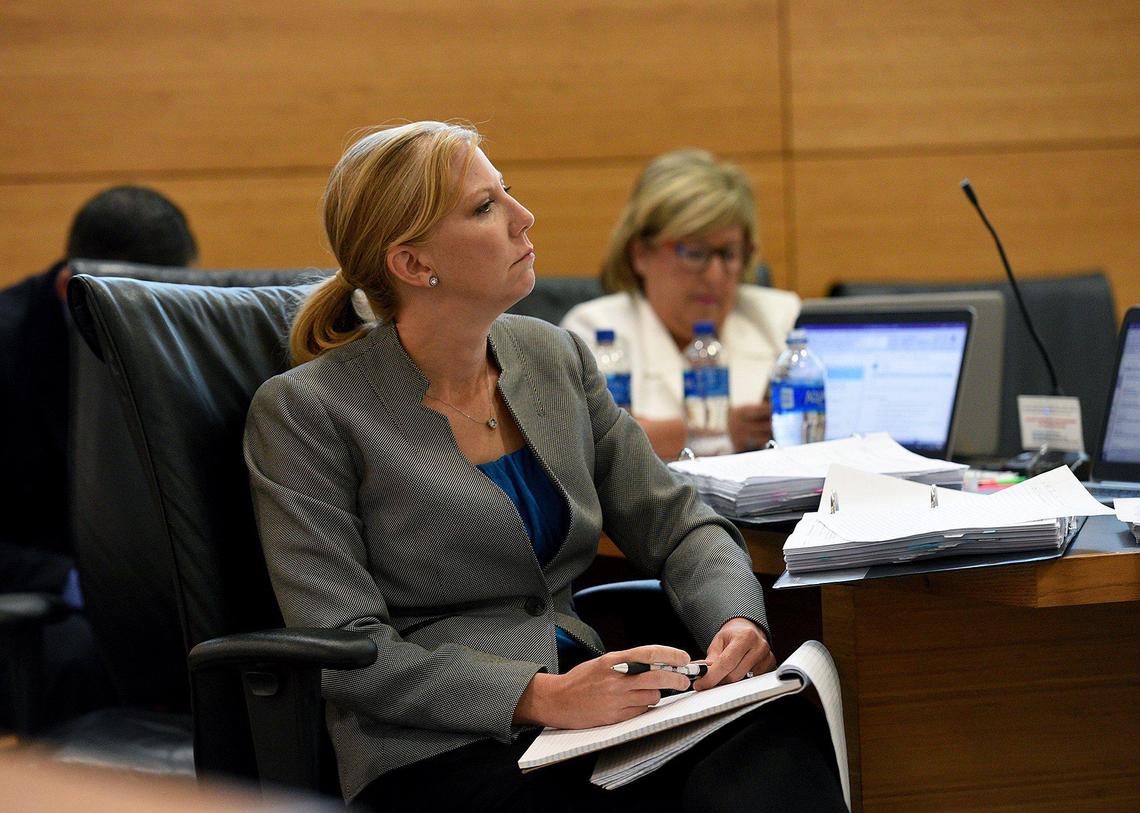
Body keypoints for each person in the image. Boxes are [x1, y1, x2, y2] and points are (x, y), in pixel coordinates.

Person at [244, 122, 845, 812]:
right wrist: (541, 695)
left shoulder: (553, 357)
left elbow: (679, 524)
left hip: (596, 717)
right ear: (412, 264)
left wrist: (735, 622)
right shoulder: (306, 411)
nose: (523, 218)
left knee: (774, 737)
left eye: (508, 193)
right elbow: (347, 650)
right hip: (437, 747)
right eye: (484, 207)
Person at [0, 185, 198, 726]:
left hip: (150, 586)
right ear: (70, 287)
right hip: (39, 593)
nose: (148, 319)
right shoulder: (6, 346)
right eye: (132, 301)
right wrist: (72, 581)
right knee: (92, 663)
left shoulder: (179, 328)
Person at [560, 150, 800, 459]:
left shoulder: (782, 318)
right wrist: (721, 431)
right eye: (695, 253)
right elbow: (593, 443)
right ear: (641, 254)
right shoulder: (592, 330)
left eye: (728, 254)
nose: (715, 275)